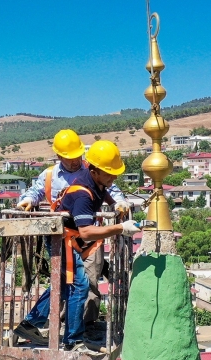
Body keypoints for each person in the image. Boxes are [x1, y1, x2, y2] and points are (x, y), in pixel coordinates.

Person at [14, 130, 131, 346]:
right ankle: (72, 337)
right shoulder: (52, 176)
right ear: (59, 157)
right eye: (70, 158)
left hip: (83, 237)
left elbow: (110, 187)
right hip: (67, 236)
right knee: (78, 285)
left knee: (77, 283)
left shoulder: (93, 170)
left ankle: (45, 325)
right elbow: (36, 192)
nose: (75, 161)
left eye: (78, 156)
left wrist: (119, 202)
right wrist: (27, 200)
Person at [50, 140, 141, 351]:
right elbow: (86, 231)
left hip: (72, 240)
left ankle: (30, 324)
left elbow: (103, 192)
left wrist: (113, 203)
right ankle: (72, 341)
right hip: (66, 241)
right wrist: (120, 228)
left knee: (64, 287)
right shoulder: (83, 193)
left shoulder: (96, 182)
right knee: (79, 286)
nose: (113, 177)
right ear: (94, 170)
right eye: (109, 174)